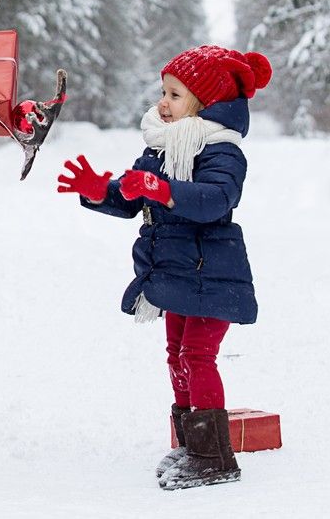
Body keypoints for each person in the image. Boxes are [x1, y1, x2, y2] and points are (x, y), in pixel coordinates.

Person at [57, 45, 272, 490]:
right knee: (176, 354)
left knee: (197, 354)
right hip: (175, 270)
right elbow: (134, 194)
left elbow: (215, 200)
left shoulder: (223, 152)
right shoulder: (159, 147)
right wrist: (100, 190)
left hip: (212, 271)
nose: (163, 102)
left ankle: (214, 457)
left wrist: (164, 189)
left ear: (204, 102)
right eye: (163, 92)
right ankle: (189, 443)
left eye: (175, 95)